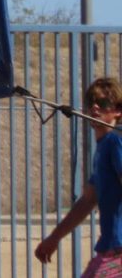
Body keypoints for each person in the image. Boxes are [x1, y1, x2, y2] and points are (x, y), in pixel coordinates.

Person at [35, 76, 122, 275]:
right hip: (110, 248)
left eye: (103, 103)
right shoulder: (103, 148)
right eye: (91, 102)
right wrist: (55, 237)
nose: (96, 107)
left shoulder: (114, 143)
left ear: (118, 110)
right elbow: (88, 200)